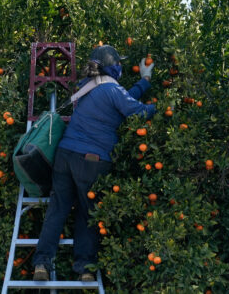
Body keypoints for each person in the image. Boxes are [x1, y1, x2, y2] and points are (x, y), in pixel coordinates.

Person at [32, 44, 156, 282]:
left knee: (57, 210)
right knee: (88, 212)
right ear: (113, 67)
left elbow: (123, 99)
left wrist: (145, 80)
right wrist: (167, 107)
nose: (121, 66)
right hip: (91, 161)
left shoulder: (87, 88)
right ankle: (86, 268)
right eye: (119, 63)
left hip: (65, 154)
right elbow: (137, 111)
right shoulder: (112, 90)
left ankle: (41, 263)